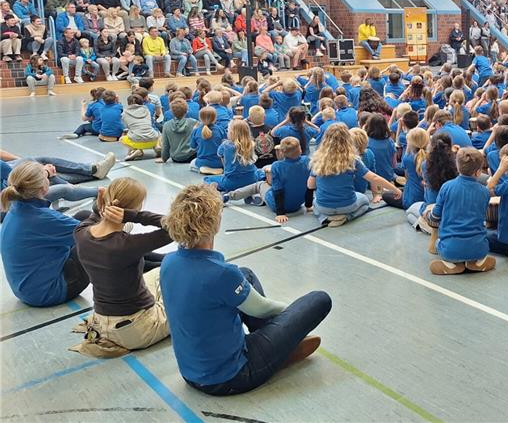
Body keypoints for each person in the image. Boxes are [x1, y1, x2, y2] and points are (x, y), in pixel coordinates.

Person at [160, 184, 332, 395]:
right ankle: (281, 348)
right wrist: (291, 316)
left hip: (192, 373)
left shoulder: (169, 262)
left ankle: (278, 345)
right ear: (215, 223)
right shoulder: (221, 273)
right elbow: (263, 309)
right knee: (319, 299)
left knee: (245, 273)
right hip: (232, 376)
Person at [72, 178, 171, 357]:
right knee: (182, 290)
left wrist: (103, 204)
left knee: (161, 270)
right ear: (134, 209)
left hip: (102, 322)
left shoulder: (81, 232)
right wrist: (134, 216)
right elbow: (174, 226)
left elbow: (95, 214)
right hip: (137, 329)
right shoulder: (125, 244)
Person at [0, 161, 91, 307]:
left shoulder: (16, 208)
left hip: (26, 290)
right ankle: (137, 264)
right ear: (44, 187)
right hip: (50, 292)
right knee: (97, 241)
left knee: (84, 216)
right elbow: (99, 234)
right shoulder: (44, 218)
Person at [308, 123, 400, 226]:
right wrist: (395, 189)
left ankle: (324, 218)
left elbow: (310, 185)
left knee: (315, 203)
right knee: (364, 201)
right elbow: (374, 177)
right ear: (347, 139)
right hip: (346, 205)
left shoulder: (318, 159)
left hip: (324, 206)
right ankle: (346, 217)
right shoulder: (352, 160)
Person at [426, 148, 496, 275]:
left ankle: (452, 264)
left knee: (438, 243)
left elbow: (435, 216)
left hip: (450, 248)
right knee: (481, 240)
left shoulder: (447, 187)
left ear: (457, 167)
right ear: (478, 172)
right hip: (479, 248)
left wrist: (428, 216)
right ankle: (476, 262)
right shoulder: (485, 192)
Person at [227, 137, 312, 224]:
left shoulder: (277, 166)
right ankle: (257, 197)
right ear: (300, 150)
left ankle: (229, 196)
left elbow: (278, 190)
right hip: (298, 204)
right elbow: (310, 186)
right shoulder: (306, 161)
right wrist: (309, 205)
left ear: (282, 152)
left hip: (278, 206)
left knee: (259, 185)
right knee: (273, 180)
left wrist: (280, 213)